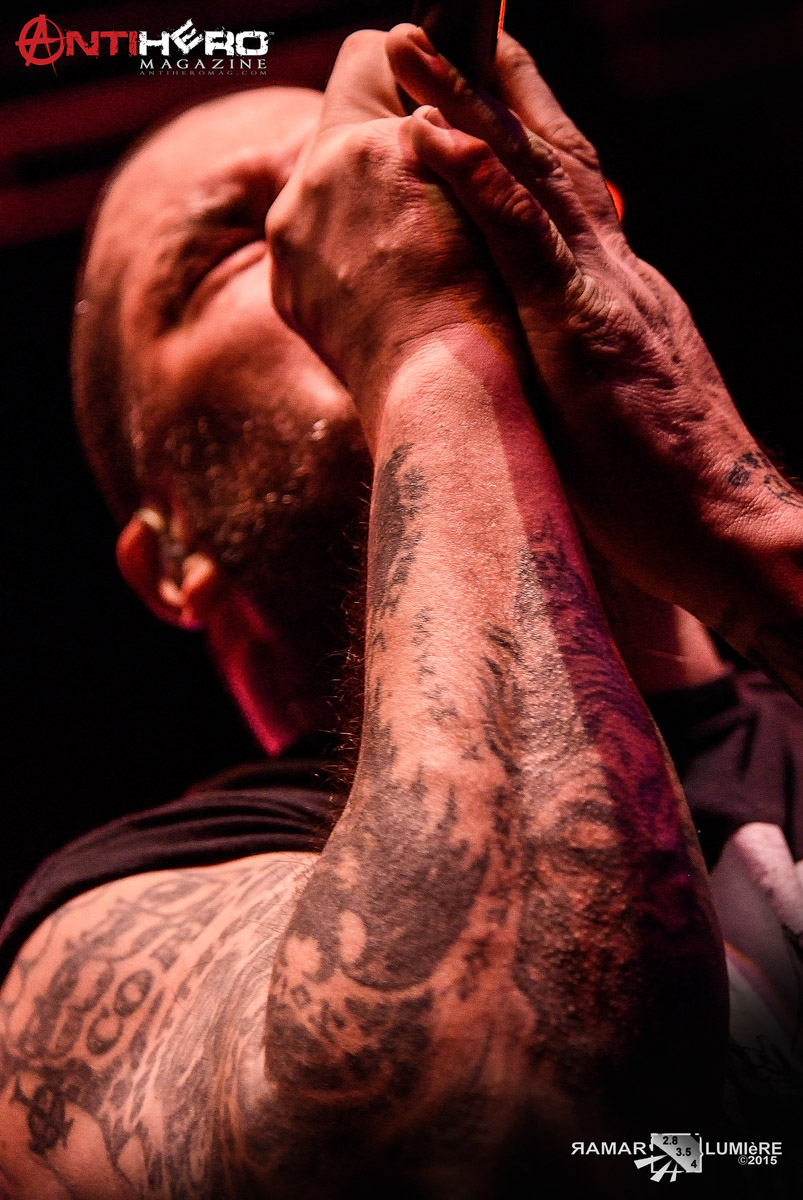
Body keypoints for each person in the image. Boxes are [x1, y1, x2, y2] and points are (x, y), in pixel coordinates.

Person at [0, 22, 800, 1198]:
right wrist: (428, 346)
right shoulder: (106, 920)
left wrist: (743, 524)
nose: (377, 201)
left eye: (406, 161)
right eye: (244, 239)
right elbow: (495, 1135)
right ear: (170, 550)